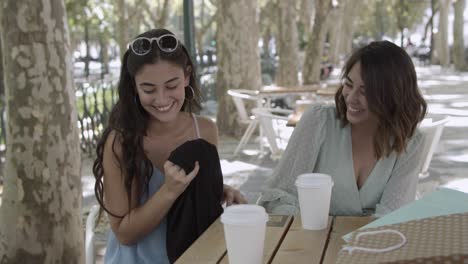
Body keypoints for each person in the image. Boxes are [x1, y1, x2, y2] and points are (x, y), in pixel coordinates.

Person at [93, 28, 246, 264]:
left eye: (171, 85)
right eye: (149, 89)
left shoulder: (205, 130)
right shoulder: (122, 142)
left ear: (186, 76)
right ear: (134, 86)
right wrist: (169, 190)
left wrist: (220, 190)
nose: (162, 99)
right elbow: (124, 233)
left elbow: (195, 207)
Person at [259, 40, 427, 217]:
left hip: (375, 242)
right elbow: (278, 197)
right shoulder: (318, 121)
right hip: (307, 239)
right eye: (348, 84)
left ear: (393, 95)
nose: (351, 98)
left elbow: (394, 216)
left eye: (365, 91)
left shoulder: (410, 142)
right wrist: (307, 229)